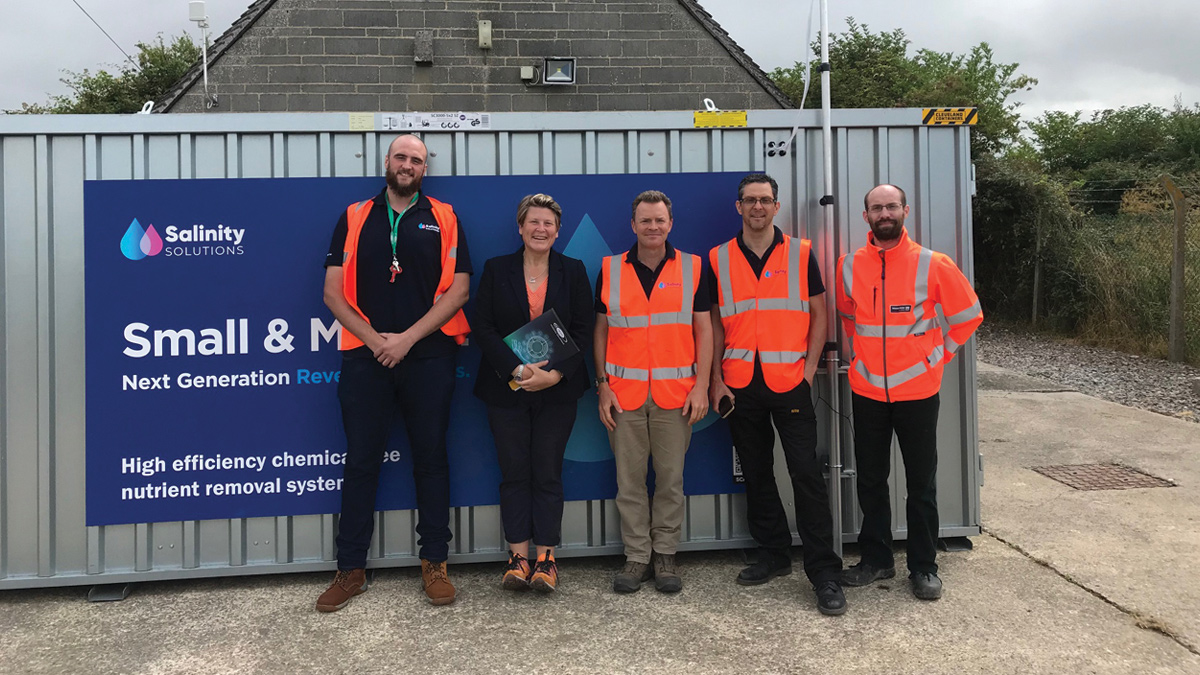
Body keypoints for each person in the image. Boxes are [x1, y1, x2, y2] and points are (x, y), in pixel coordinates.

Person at [316, 134, 471, 611]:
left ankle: (435, 563)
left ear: (426, 169)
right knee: (361, 461)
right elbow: (331, 293)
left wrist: (405, 340)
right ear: (387, 162)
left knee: (431, 460)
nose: (408, 165)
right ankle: (350, 568)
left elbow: (460, 291)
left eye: (417, 160)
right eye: (401, 157)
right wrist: (376, 340)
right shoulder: (354, 216)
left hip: (428, 357)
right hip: (366, 357)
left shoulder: (444, 216)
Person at [836, 183, 983, 601]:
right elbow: (849, 317)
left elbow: (969, 316)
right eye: (876, 208)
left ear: (905, 211)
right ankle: (876, 560)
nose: (885, 213)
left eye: (891, 206)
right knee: (870, 480)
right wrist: (861, 358)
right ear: (865, 216)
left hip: (918, 391)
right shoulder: (848, 265)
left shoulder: (933, 264)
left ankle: (923, 567)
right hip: (866, 392)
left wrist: (937, 356)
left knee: (921, 484)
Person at [707, 173, 846, 615]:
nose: (758, 207)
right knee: (756, 471)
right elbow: (711, 324)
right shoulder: (719, 258)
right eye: (750, 200)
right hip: (739, 383)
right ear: (739, 206)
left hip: (790, 382)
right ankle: (773, 554)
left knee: (805, 473)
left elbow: (819, 314)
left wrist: (808, 372)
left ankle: (824, 572)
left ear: (776, 205)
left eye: (765, 200)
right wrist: (715, 379)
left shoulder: (801, 253)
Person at [472, 193, 594, 593]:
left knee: (547, 472)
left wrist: (555, 376)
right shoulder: (496, 269)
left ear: (558, 231)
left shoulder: (573, 271)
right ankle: (517, 557)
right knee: (513, 473)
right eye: (533, 222)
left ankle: (546, 559)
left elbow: (582, 330)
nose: (541, 229)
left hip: (557, 392)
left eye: (548, 224)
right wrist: (517, 368)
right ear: (520, 227)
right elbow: (483, 327)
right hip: (505, 389)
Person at [594, 190, 712, 594]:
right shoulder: (609, 269)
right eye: (645, 220)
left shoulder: (694, 268)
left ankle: (665, 554)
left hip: (676, 396)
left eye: (660, 220)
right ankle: (637, 557)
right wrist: (602, 386)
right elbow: (601, 331)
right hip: (623, 395)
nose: (653, 227)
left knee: (670, 480)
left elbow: (704, 329)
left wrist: (701, 386)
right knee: (628, 482)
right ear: (633, 225)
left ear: (670, 223)